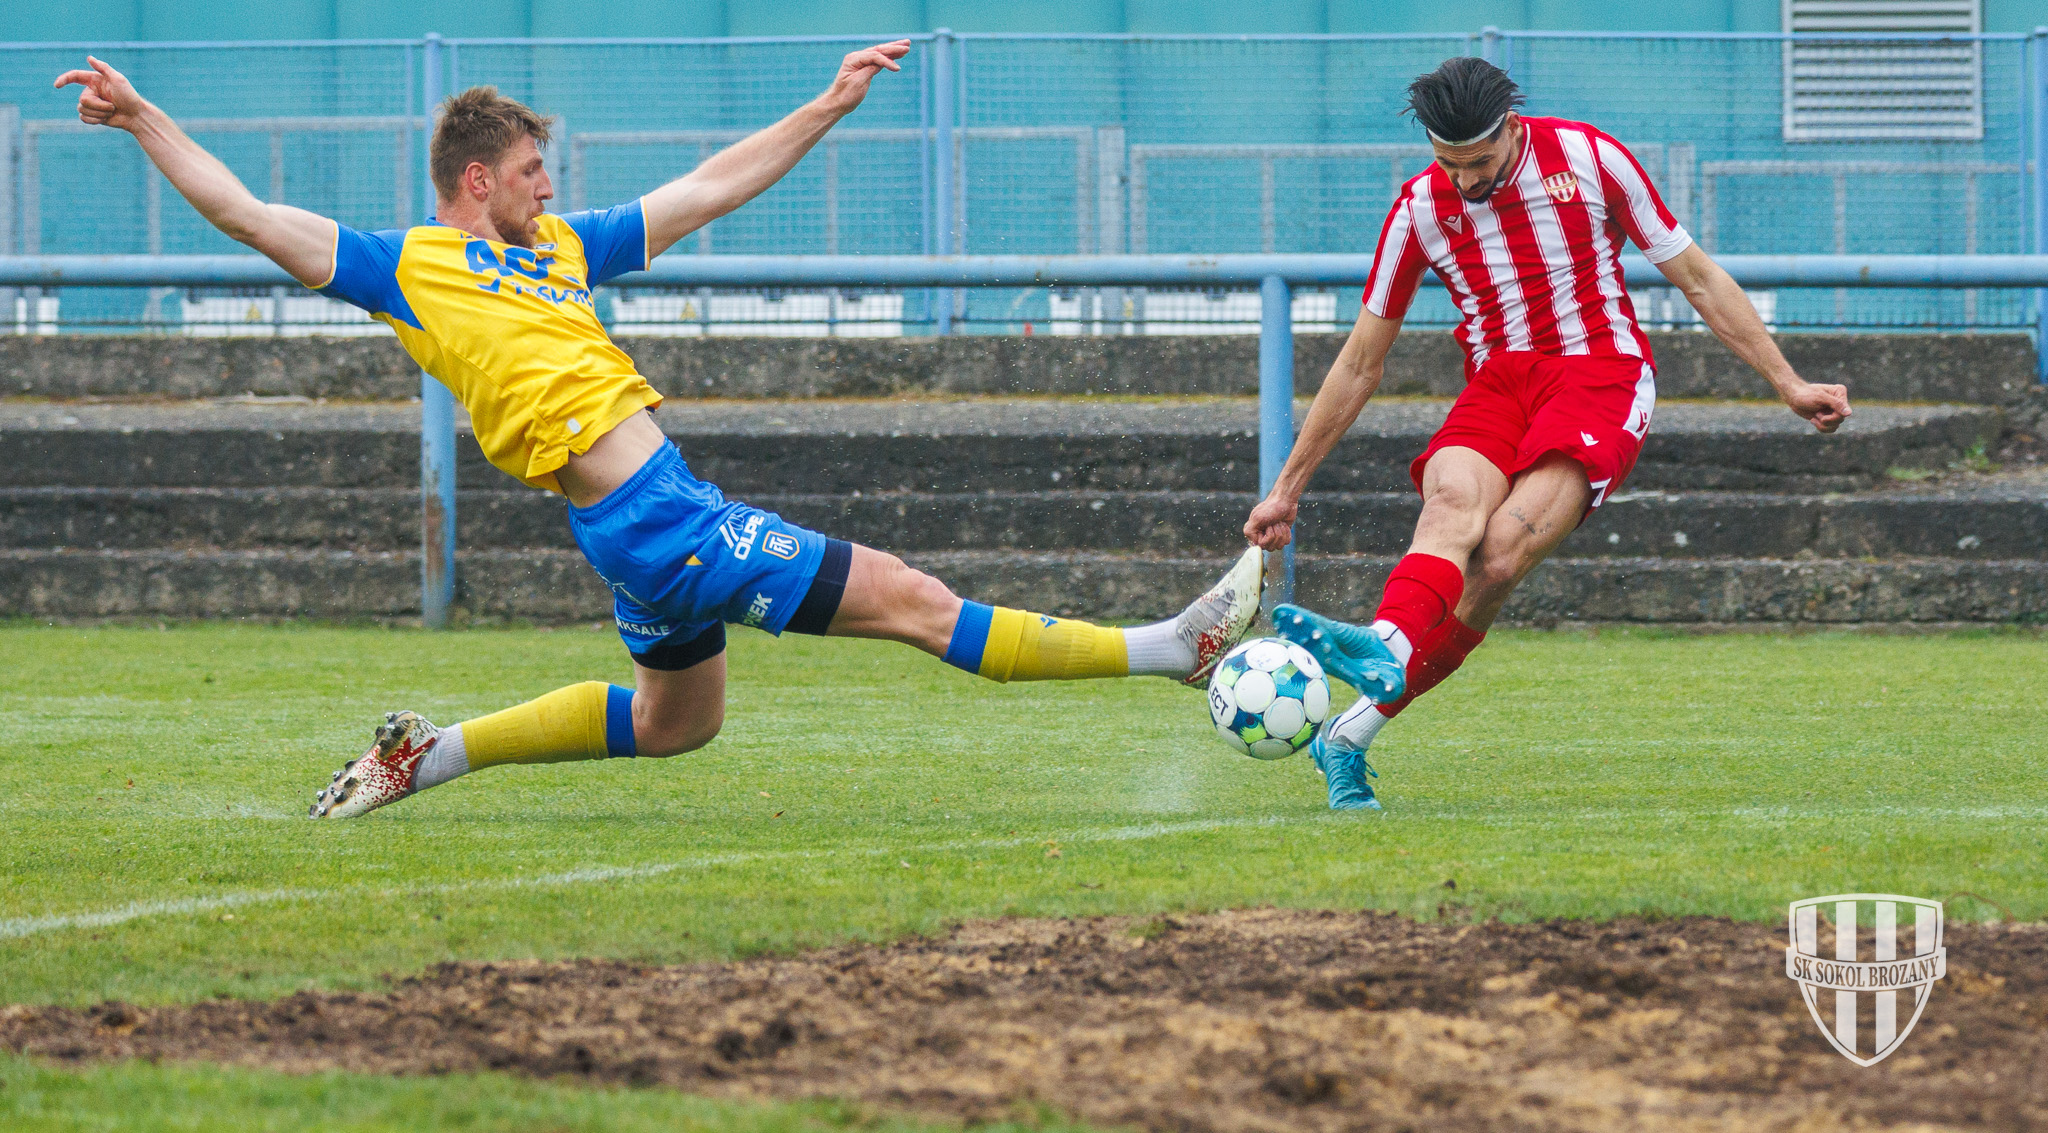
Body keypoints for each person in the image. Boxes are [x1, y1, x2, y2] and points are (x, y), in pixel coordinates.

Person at [56, 46, 1264, 820]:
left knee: (677, 724)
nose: (548, 185)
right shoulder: (405, 266)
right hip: (661, 520)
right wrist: (145, 117)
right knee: (911, 599)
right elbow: (247, 213)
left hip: (641, 518)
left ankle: (431, 754)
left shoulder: (558, 249)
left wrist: (825, 106)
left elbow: (709, 187)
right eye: (531, 170)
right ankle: (1173, 648)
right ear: (475, 179)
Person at [1242, 57, 1853, 811]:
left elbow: (1697, 277)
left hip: (1601, 374)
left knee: (1496, 558)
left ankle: (1350, 731)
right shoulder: (1419, 209)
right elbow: (1361, 361)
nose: (1465, 180)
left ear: (1511, 127)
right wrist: (1286, 489)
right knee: (1450, 504)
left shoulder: (1591, 159)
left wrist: (1788, 381)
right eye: (1449, 163)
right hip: (1499, 383)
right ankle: (1388, 644)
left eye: (1479, 162)